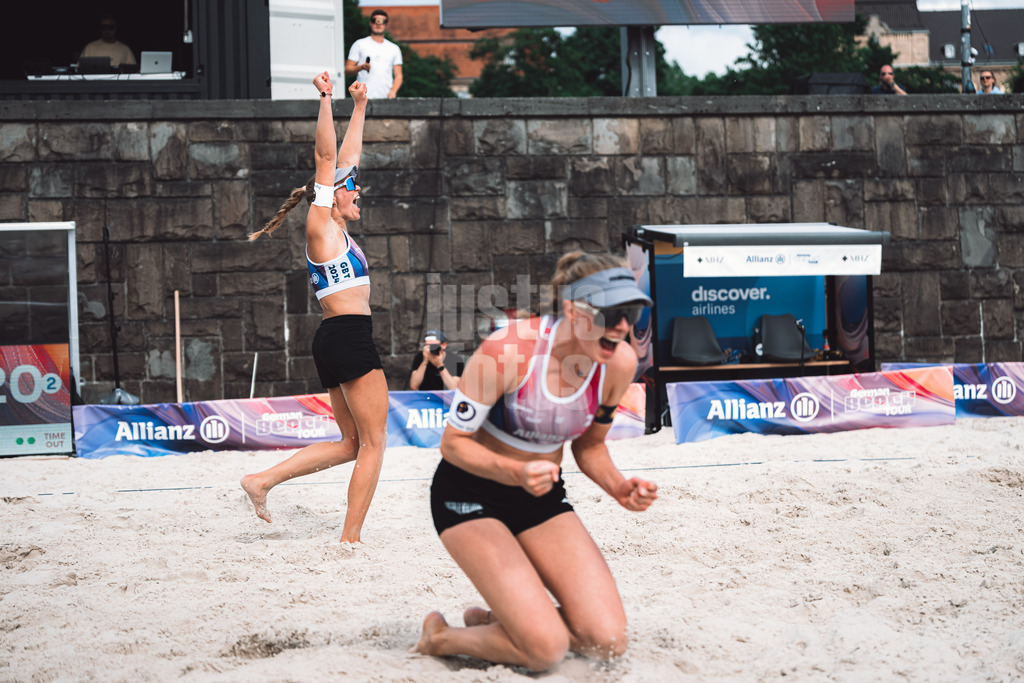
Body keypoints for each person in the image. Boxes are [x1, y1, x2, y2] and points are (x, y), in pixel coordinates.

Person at [412, 252, 659, 672]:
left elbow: (591, 447)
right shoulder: (509, 349)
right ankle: (441, 638)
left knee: (608, 642)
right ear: (572, 310)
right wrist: (516, 471)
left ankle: (501, 622)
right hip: (469, 496)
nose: (623, 327)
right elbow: (453, 445)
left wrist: (619, 487)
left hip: (538, 497)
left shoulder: (619, 363)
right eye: (613, 312)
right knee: (545, 651)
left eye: (632, 312)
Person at [241, 73, 387, 544]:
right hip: (347, 337)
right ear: (332, 193)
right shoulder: (321, 226)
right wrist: (326, 99)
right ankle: (351, 539)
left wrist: (360, 106)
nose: (358, 189)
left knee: (350, 444)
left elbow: (347, 160)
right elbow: (329, 159)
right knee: (373, 444)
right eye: (352, 188)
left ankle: (261, 481)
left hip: (335, 337)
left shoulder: (337, 229)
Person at [345, 9, 403, 99]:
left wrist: (393, 91)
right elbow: (347, 70)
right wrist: (361, 67)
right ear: (370, 23)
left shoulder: (394, 48)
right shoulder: (359, 44)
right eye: (375, 21)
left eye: (382, 21)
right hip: (362, 98)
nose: (378, 23)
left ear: (386, 25)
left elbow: (398, 75)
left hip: (386, 99)